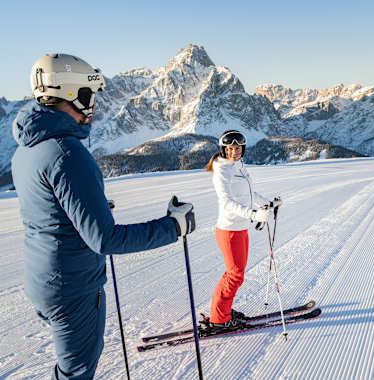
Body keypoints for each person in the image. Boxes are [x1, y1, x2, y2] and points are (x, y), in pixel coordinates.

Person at [11, 53, 195, 380]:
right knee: (76, 374)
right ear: (72, 94)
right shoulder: (68, 153)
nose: (94, 103)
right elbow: (105, 239)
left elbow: (48, 207)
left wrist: (89, 206)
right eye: (89, 94)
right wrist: (173, 227)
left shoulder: (27, 147)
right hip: (74, 287)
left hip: (43, 280)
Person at [205, 130, 281, 330]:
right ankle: (219, 319)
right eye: (230, 148)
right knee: (235, 275)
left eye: (238, 148)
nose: (234, 151)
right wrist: (254, 215)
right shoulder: (222, 170)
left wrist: (267, 203)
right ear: (223, 149)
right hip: (229, 230)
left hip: (240, 229)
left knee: (235, 273)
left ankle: (223, 311)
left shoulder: (238, 166)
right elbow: (227, 202)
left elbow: (247, 192)